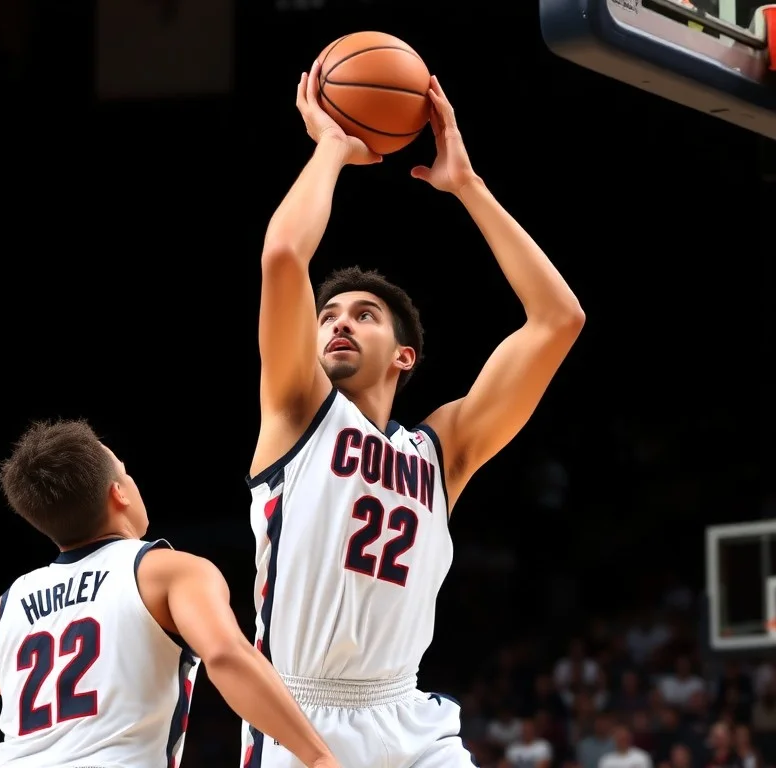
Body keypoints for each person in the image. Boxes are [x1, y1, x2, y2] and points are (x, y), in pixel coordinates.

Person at [243, 61, 584, 768]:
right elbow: (283, 254)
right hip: (299, 715)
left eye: (364, 315)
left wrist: (469, 186)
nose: (338, 322)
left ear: (404, 356)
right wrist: (331, 148)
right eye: (327, 315)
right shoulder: (297, 411)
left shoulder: (440, 452)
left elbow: (558, 319)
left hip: (407, 714)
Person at [0, 419, 344, 768]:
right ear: (118, 492)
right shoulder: (168, 572)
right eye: (126, 472)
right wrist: (319, 757)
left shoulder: (0, 613)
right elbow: (226, 656)